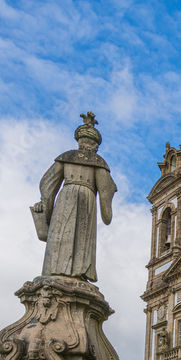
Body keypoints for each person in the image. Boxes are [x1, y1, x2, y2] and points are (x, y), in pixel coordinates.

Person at [32, 112, 117, 282]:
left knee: (61, 234)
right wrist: (107, 209)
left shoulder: (66, 158)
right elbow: (106, 191)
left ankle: (55, 269)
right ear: (94, 144)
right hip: (86, 198)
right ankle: (77, 271)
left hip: (66, 196)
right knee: (81, 238)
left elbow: (47, 184)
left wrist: (45, 204)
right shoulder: (98, 163)